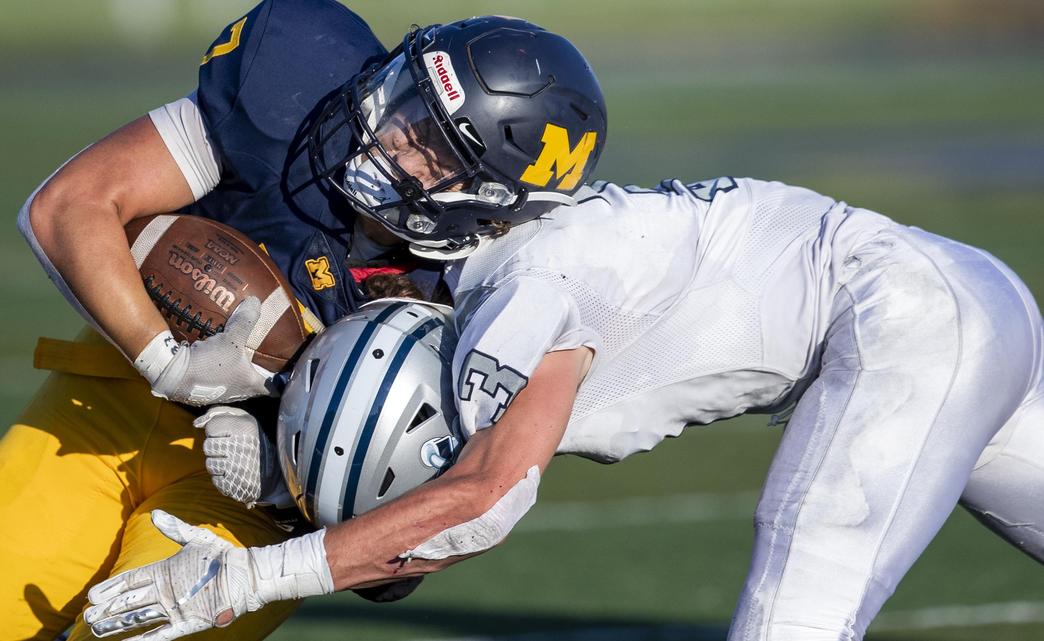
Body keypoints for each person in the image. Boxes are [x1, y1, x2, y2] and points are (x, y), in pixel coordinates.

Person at [83, 12, 1044, 641]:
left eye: (424, 139)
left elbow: (487, 497)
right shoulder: (512, 255)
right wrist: (269, 422)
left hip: (907, 324)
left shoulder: (534, 279)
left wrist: (247, 578)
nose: (386, 131)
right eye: (409, 105)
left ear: (488, 188)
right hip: (954, 292)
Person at [0, 1, 390, 639]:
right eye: (410, 105)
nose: (403, 138)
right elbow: (70, 204)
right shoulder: (311, 90)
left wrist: (277, 476)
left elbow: (407, 551)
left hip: (254, 499)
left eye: (443, 146)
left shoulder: (495, 278)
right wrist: (168, 361)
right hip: (109, 401)